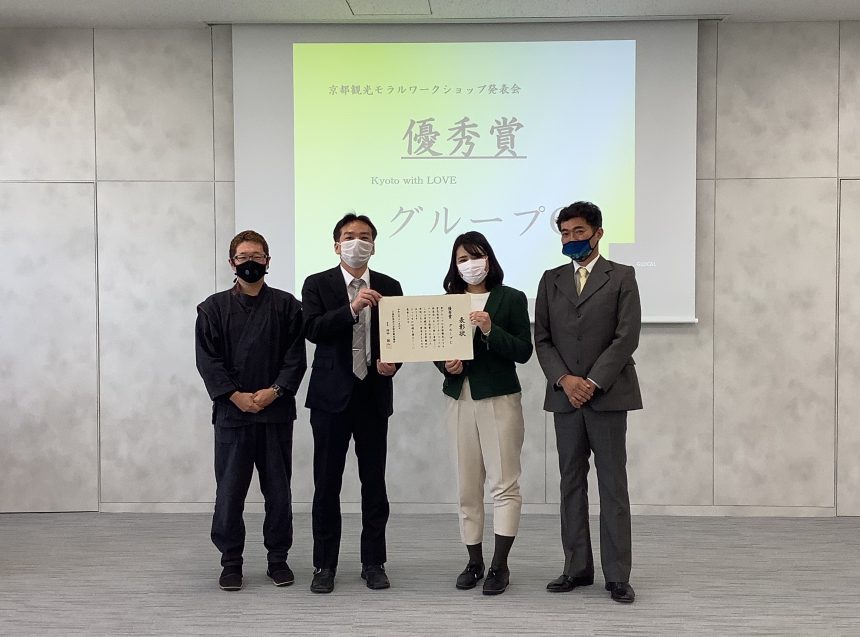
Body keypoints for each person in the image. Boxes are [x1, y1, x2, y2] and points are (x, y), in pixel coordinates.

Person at [534, 201, 642, 604]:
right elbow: (542, 338)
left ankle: (618, 576)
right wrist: (565, 380)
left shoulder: (622, 276)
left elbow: (626, 337)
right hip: (565, 397)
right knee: (571, 485)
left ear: (598, 233)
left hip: (608, 396)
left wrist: (592, 382)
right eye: (565, 233)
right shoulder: (551, 279)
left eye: (578, 231)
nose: (571, 239)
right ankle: (576, 568)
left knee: (612, 486)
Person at [195, 230, 307, 592]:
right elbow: (208, 361)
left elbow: (295, 359)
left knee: (279, 492)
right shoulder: (211, 309)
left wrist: (274, 392)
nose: (250, 263)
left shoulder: (288, 306)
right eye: (243, 257)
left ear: (268, 261)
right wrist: (234, 395)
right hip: (233, 415)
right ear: (232, 263)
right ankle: (231, 562)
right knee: (230, 492)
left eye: (257, 257)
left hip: (275, 413)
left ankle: (278, 559)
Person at [301, 213, 403, 594]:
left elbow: (399, 337)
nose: (356, 242)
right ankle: (324, 565)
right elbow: (312, 329)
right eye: (349, 236)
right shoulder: (317, 284)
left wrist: (394, 363)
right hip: (331, 398)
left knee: (374, 483)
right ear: (336, 245)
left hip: (373, 395)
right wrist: (352, 308)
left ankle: (373, 562)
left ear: (373, 246)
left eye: (364, 237)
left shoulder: (390, 285)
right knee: (327, 483)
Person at [435, 231, 533, 595]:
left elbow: (523, 351)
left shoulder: (512, 298)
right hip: (459, 397)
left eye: (475, 257)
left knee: (504, 483)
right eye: (462, 259)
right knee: (467, 485)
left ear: (488, 259)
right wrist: (447, 366)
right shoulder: (448, 302)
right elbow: (437, 349)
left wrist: (491, 329)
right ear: (455, 265)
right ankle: (473, 561)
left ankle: (499, 565)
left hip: (499, 398)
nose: (470, 264)